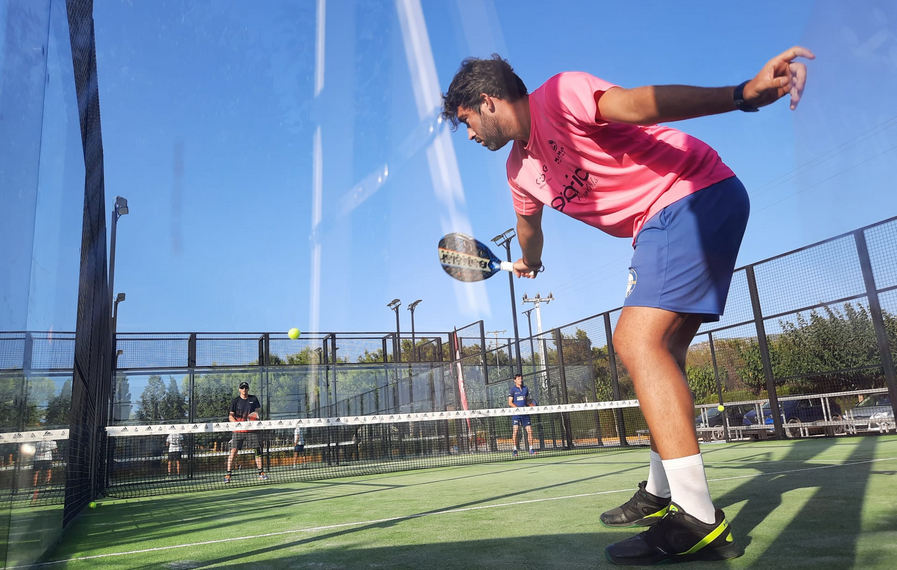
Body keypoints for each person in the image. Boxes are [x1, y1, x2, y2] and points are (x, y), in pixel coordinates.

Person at [441, 47, 812, 565]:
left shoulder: (560, 94)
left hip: (688, 193)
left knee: (636, 341)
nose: (472, 137)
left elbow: (642, 104)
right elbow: (529, 229)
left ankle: (697, 517)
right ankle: (663, 491)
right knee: (664, 353)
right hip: (677, 213)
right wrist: (529, 262)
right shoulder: (517, 171)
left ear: (487, 101)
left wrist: (740, 95)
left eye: (468, 123)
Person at [226, 381, 267, 482]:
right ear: (239, 389)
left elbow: (257, 411)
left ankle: (261, 473)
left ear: (248, 389)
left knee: (257, 450)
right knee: (234, 451)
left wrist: (253, 416)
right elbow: (231, 416)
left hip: (251, 430)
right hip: (238, 431)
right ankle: (228, 474)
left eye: (246, 388)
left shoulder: (253, 399)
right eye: (242, 388)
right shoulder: (235, 401)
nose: (244, 389)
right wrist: (237, 424)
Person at [508, 373, 536, 457]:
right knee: (515, 431)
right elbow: (510, 402)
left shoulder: (525, 389)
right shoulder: (512, 390)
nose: (520, 380)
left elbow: (527, 400)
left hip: (525, 413)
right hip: (516, 414)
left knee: (530, 431)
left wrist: (530, 404)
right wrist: (518, 409)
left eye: (521, 379)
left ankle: (531, 449)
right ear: (515, 380)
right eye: (518, 379)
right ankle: (515, 450)